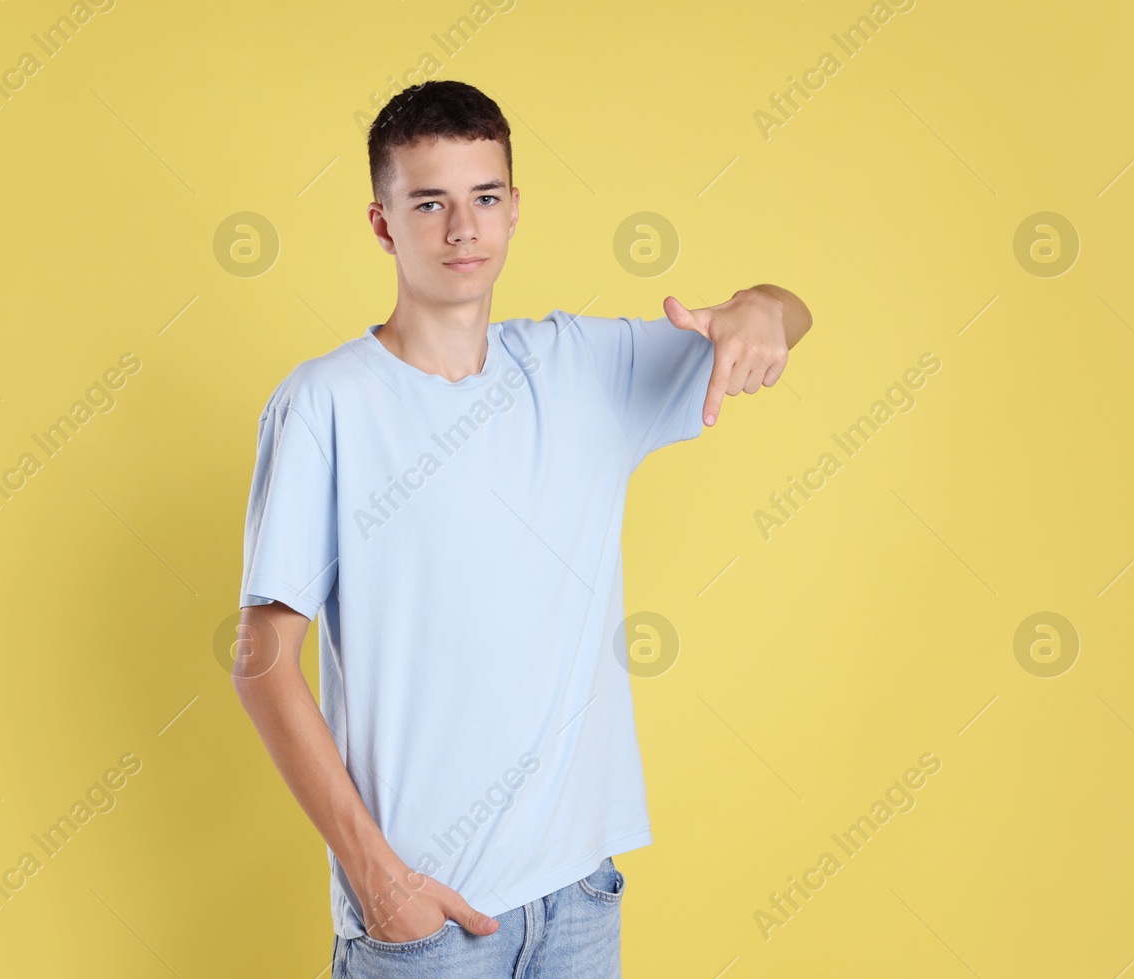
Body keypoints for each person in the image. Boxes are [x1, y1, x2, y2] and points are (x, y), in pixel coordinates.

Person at [234, 80, 811, 978]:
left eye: (485, 197)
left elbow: (784, 310)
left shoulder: (582, 367)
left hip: (578, 900)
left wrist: (761, 310)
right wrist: (378, 880)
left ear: (513, 210)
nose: (463, 228)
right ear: (384, 223)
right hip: (425, 918)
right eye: (430, 202)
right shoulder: (324, 405)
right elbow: (263, 657)